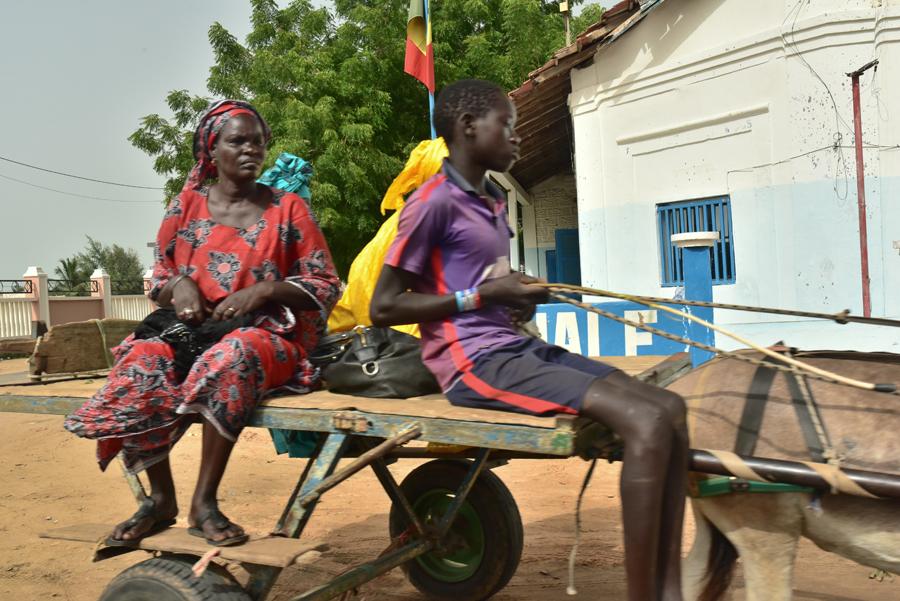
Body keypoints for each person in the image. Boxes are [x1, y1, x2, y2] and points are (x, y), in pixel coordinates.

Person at [370, 79, 688, 601]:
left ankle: (670, 587)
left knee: (669, 408)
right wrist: (482, 295)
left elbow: (487, 280)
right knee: (647, 421)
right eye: (507, 124)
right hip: (473, 361)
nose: (517, 136)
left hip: (514, 346)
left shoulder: (491, 200)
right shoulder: (432, 203)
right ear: (468, 127)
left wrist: (519, 294)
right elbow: (383, 307)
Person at [65, 100, 341, 547]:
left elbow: (325, 283)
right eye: (238, 141)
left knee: (235, 354)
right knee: (140, 358)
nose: (251, 149)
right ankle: (160, 499)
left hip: (265, 336)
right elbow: (160, 277)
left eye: (258, 141)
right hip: (192, 335)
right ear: (212, 150)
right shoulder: (185, 206)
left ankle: (204, 503)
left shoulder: (288, 208)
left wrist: (265, 290)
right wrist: (180, 286)